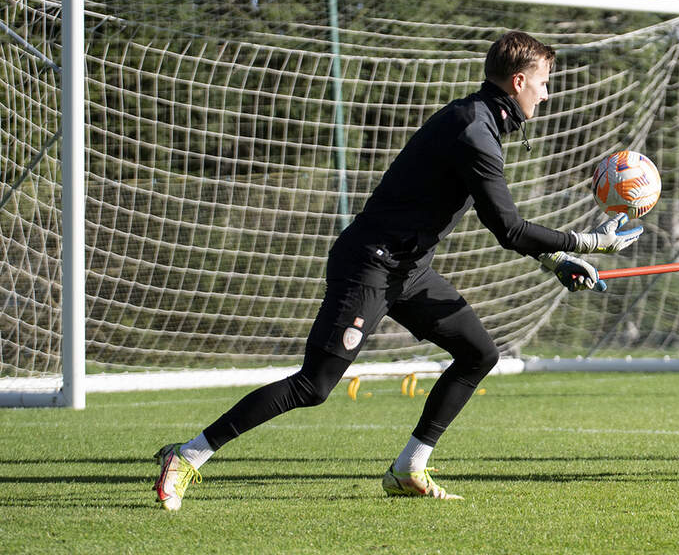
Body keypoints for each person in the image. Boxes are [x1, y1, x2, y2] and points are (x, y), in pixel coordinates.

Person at [153, 30, 643, 509]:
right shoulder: (474, 130)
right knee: (314, 385)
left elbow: (496, 220)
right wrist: (589, 242)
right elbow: (508, 228)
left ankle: (409, 467)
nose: (548, 92)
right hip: (370, 265)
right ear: (518, 82)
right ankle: (187, 455)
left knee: (477, 354)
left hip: (407, 269)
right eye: (543, 81)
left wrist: (556, 258)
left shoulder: (479, 120)